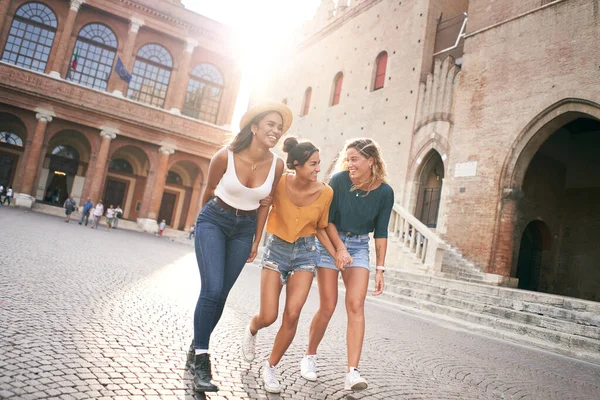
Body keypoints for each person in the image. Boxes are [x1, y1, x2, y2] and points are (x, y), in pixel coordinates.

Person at [186, 101, 291, 393]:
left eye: (279, 127)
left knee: (221, 294)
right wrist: (201, 226)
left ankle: (197, 343)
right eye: (270, 124)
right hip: (214, 221)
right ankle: (202, 361)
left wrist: (256, 240)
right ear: (254, 127)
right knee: (211, 289)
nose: (276, 130)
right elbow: (208, 191)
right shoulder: (225, 156)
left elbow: (264, 207)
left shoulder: (277, 165)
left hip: (244, 229)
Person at [241, 138, 333, 394]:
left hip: (306, 253)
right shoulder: (279, 182)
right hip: (276, 250)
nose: (318, 168)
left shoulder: (326, 192)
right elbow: (264, 208)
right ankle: (252, 328)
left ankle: (270, 367)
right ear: (297, 165)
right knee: (269, 315)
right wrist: (256, 242)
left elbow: (322, 226)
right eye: (313, 164)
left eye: (318, 163)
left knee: (292, 314)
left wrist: (338, 253)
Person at [301, 138, 394, 391]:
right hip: (331, 242)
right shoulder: (340, 181)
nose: (349, 164)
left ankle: (352, 372)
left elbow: (382, 232)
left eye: (355, 159)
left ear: (370, 161)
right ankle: (310, 356)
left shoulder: (385, 192)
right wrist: (339, 249)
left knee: (356, 305)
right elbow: (327, 220)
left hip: (360, 247)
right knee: (328, 306)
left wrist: (380, 269)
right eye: (348, 159)